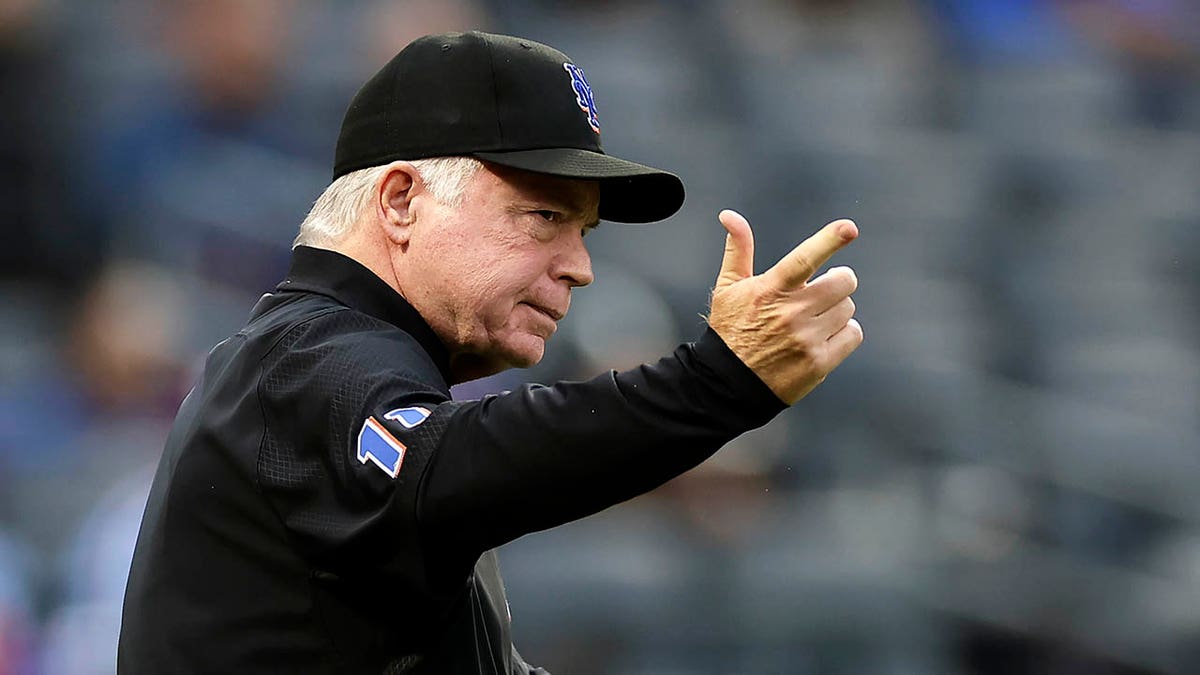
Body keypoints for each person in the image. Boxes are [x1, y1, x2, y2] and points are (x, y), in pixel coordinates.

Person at [117, 31, 862, 674]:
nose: (580, 265)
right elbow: (454, 467)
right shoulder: (306, 360)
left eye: (585, 231)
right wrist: (716, 382)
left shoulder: (347, 373)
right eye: (543, 215)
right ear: (401, 201)